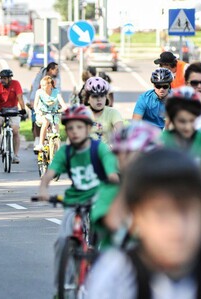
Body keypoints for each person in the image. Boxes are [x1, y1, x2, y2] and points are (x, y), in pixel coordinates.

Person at [86, 149, 201, 299]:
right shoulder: (116, 276)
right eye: (161, 213)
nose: (177, 227)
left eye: (186, 210)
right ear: (136, 218)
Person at [37, 105, 119, 292]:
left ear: (88, 129)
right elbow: (50, 173)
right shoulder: (65, 152)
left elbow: (111, 172)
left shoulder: (99, 149)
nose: (74, 132)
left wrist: (115, 183)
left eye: (79, 127)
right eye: (70, 128)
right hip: (75, 199)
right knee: (62, 241)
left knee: (104, 238)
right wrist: (43, 188)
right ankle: (62, 285)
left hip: (99, 198)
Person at [91, 122, 161, 249]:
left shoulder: (160, 191)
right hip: (116, 256)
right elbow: (112, 222)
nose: (119, 158)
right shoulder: (109, 190)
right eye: (120, 154)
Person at [161, 86, 201, 193]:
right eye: (182, 121)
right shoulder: (161, 141)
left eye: (192, 121)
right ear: (172, 119)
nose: (188, 127)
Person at [0, 69, 26, 163]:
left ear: (10, 78)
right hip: (0, 110)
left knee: (15, 130)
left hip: (13, 109)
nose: (2, 80)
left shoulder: (16, 84)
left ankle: (15, 155)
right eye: (1, 78)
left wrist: (23, 109)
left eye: (4, 78)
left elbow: (20, 97)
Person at [28, 62, 60, 146]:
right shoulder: (40, 76)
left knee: (54, 122)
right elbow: (35, 87)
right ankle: (37, 139)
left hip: (51, 102)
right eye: (56, 69)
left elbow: (58, 91)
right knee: (36, 120)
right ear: (50, 70)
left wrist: (59, 103)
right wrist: (32, 101)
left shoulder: (57, 78)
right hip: (39, 100)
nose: (58, 71)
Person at [83, 77, 123, 144]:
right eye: (95, 96)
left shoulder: (112, 113)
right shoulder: (82, 113)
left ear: (106, 97)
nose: (99, 99)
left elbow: (121, 131)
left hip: (106, 152)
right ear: (87, 99)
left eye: (102, 96)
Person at [33, 75, 67, 151]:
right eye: (41, 85)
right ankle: (41, 144)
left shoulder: (56, 92)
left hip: (53, 114)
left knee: (56, 129)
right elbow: (35, 105)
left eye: (44, 85)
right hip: (42, 114)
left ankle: (56, 149)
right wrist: (37, 111)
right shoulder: (39, 92)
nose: (42, 87)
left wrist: (65, 109)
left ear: (50, 85)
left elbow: (62, 103)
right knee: (46, 121)